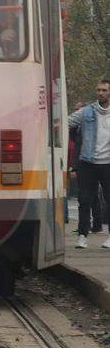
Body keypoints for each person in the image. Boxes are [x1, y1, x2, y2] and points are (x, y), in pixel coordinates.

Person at [69, 80, 110, 249]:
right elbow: (67, 122)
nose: (100, 93)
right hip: (88, 162)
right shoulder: (86, 112)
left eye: (104, 90)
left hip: (108, 163)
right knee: (84, 199)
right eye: (98, 90)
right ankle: (82, 235)